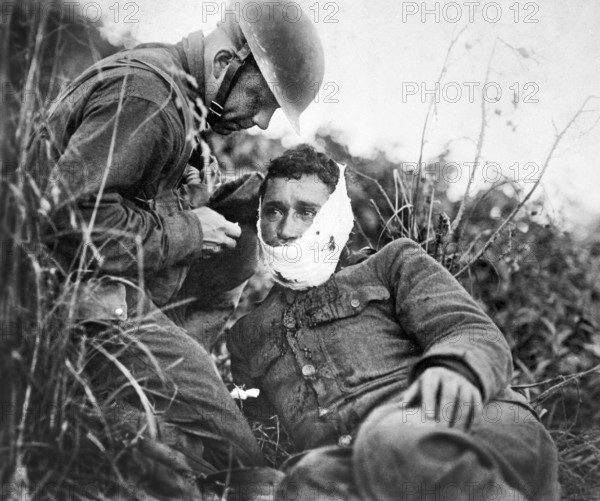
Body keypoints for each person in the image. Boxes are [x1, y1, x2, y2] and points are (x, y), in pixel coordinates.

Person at [24, 1, 324, 497]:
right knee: (243, 458)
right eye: (260, 96)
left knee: (238, 249)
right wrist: (189, 230)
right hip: (57, 295)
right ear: (228, 63)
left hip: (98, 284)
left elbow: (126, 196)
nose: (264, 121)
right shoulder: (152, 95)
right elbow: (67, 223)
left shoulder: (176, 90)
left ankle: (150, 397)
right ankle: (147, 407)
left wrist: (215, 204)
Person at [227, 145, 560, 501]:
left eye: (307, 211)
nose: (288, 228)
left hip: (466, 425)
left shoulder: (391, 263)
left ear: (335, 218)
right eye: (274, 211)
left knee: (388, 437)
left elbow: (468, 330)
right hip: (355, 469)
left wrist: (454, 371)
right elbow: (254, 423)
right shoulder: (247, 335)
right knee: (306, 482)